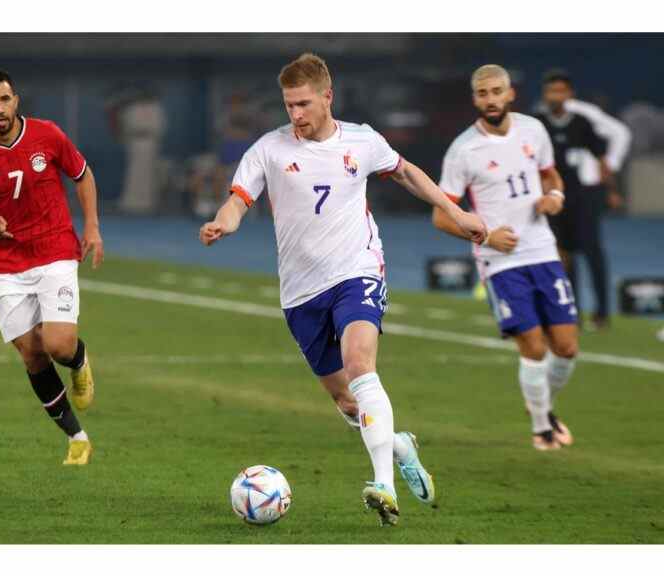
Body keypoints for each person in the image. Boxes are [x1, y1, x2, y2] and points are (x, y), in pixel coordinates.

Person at [199, 53, 486, 526]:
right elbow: (238, 200)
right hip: (300, 292)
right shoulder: (268, 149)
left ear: (327, 96)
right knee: (347, 402)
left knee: (360, 365)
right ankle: (398, 445)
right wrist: (221, 223)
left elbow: (408, 173)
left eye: (304, 104)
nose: (296, 115)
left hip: (357, 270)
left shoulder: (363, 140)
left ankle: (383, 485)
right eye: (289, 105)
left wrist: (456, 214)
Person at [0, 70, 102, 466]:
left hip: (53, 248)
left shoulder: (47, 135)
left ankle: (79, 359)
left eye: (4, 99)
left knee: (58, 345)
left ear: (15, 100)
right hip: (6, 264)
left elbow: (82, 175)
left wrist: (92, 227)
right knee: (33, 355)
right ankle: (77, 438)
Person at [433, 64, 578, 452]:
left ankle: (545, 409)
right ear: (475, 98)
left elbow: (551, 176)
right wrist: (487, 236)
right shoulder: (464, 149)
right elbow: (441, 215)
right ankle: (540, 427)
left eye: (497, 91)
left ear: (510, 93)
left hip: (543, 251)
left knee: (566, 348)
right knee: (533, 347)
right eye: (483, 93)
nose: (491, 99)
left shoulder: (534, 130)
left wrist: (556, 198)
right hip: (500, 262)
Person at [535, 69, 632, 330]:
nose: (556, 96)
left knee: (593, 253)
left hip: (582, 197)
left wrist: (611, 190)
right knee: (562, 255)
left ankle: (601, 313)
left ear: (570, 94)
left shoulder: (581, 122)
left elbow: (601, 157)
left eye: (561, 91)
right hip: (552, 198)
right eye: (551, 91)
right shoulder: (536, 124)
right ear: (545, 94)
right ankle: (571, 313)